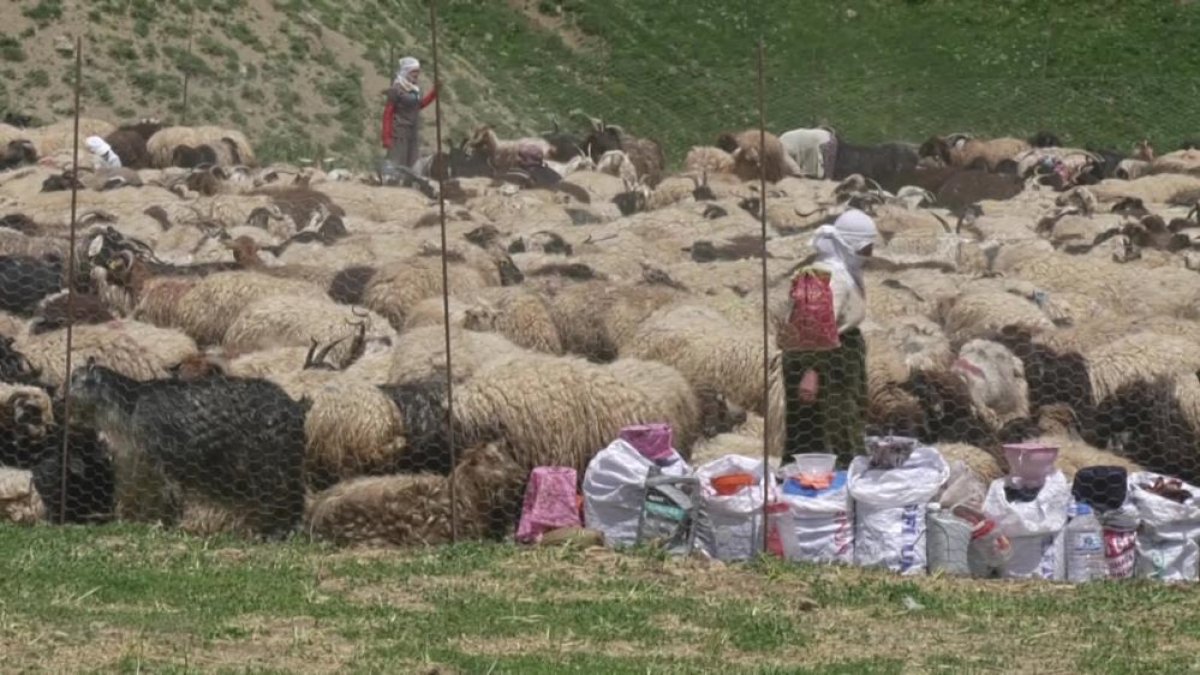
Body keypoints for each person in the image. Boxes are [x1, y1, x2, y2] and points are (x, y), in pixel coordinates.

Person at [778, 208, 878, 469]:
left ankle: (839, 479)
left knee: (845, 423)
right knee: (827, 430)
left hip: (840, 359)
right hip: (825, 363)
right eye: (864, 248)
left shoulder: (843, 271)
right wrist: (811, 372)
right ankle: (827, 485)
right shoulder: (827, 277)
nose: (868, 255)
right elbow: (810, 329)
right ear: (848, 244)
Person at [381, 56, 438, 180]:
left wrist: (434, 93)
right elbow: (388, 113)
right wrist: (386, 137)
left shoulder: (415, 90)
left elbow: (419, 106)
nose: (417, 75)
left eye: (418, 72)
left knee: (412, 166)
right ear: (406, 71)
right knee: (396, 165)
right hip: (399, 132)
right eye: (414, 72)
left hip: (412, 132)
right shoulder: (397, 89)